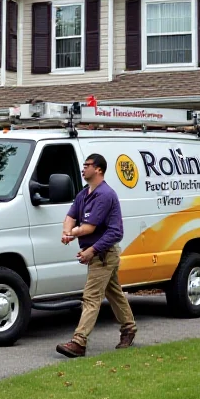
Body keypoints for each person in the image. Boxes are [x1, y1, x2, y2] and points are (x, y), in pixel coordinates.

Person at [56, 153, 137, 358]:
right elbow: (70, 216)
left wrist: (87, 246)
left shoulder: (105, 195)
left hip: (103, 254)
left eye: (87, 166)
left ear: (98, 169)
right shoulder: (85, 193)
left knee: (91, 297)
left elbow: (92, 228)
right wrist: (67, 232)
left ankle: (79, 342)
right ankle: (129, 328)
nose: (83, 169)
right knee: (114, 292)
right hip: (96, 254)